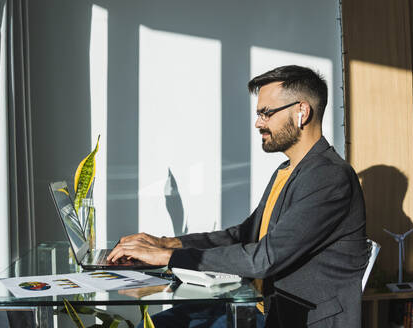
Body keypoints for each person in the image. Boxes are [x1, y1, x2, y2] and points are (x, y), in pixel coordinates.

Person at [108, 65, 368, 327]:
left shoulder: (330, 177)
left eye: (266, 113)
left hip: (297, 318)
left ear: (302, 111)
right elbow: (243, 235)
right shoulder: (288, 171)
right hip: (256, 305)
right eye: (258, 114)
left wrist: (166, 258)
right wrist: (167, 243)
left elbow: (265, 258)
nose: (258, 123)